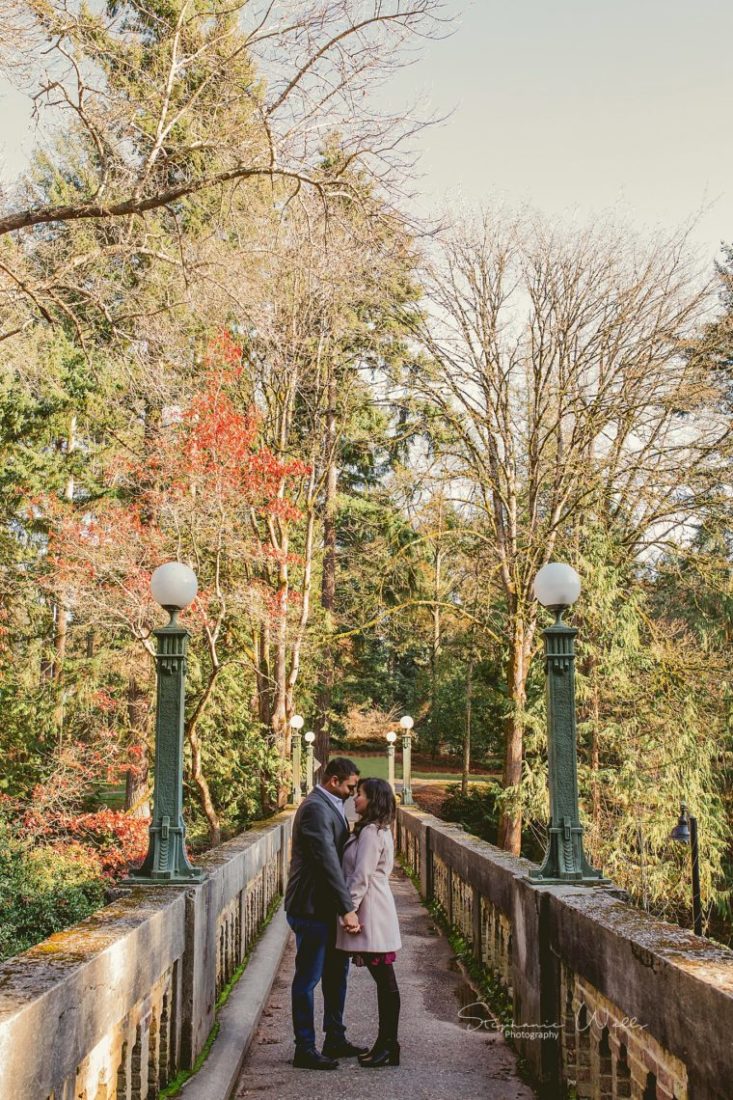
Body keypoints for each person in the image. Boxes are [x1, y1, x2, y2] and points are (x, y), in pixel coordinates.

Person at [284, 756, 368, 1070]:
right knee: (308, 979)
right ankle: (304, 1048)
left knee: (336, 973)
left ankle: (335, 1037)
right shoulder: (315, 808)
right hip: (310, 907)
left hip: (324, 908)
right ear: (334, 780)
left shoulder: (329, 804)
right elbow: (326, 861)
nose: (353, 791)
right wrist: (347, 909)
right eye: (350, 786)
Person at [335, 777, 402, 1068]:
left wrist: (347, 910)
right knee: (384, 981)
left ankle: (389, 1045)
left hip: (372, 912)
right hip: (373, 907)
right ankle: (387, 1044)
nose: (355, 798)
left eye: (360, 794)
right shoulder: (372, 830)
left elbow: (361, 876)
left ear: (373, 799)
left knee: (385, 981)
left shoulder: (373, 833)